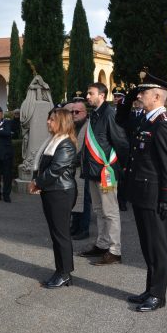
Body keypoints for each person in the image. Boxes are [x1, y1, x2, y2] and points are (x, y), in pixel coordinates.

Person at [121, 72, 167, 312]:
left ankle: (158, 295)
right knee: (147, 244)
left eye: (143, 92)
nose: (139, 96)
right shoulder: (147, 120)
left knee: (157, 246)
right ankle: (150, 288)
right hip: (142, 192)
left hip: (154, 195)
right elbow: (122, 118)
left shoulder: (163, 123)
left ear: (157, 96)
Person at [78, 82, 128, 266]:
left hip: (105, 172)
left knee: (110, 211)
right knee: (99, 210)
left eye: (90, 93)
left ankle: (115, 250)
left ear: (102, 95)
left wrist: (119, 167)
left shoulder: (109, 114)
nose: (87, 96)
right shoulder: (95, 114)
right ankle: (102, 244)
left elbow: (121, 142)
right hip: (93, 172)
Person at [29, 107, 78, 288]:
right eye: (48, 119)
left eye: (52, 119)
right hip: (54, 192)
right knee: (57, 234)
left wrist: (37, 183)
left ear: (62, 122)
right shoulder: (55, 140)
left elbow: (55, 170)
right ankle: (61, 271)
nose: (48, 122)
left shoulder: (65, 144)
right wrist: (38, 181)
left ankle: (64, 273)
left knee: (61, 234)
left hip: (60, 193)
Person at [67, 98, 91, 241]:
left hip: (83, 169)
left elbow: (86, 150)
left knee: (84, 199)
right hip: (73, 169)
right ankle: (75, 226)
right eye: (72, 111)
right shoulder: (74, 126)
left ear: (84, 113)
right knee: (74, 198)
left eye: (77, 111)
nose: (74, 114)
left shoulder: (89, 126)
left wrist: (73, 161)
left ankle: (83, 229)